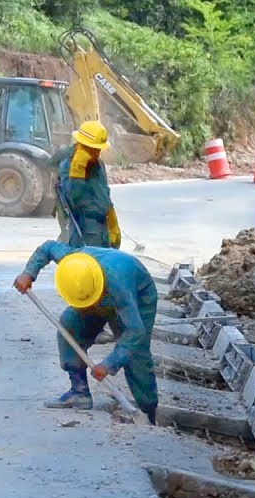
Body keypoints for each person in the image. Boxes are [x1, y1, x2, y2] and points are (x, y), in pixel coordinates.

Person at [13, 241, 157, 425]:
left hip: (138, 296)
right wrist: (28, 273)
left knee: (135, 354)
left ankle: (148, 411)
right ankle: (79, 391)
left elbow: (135, 331)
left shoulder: (119, 286)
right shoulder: (73, 261)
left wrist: (108, 364)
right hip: (95, 291)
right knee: (69, 325)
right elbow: (47, 247)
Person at [52, 121, 121, 249]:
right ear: (82, 146)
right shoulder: (68, 166)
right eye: (93, 149)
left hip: (102, 229)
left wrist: (112, 219)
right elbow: (73, 200)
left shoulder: (99, 165)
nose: (97, 153)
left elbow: (104, 193)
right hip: (84, 231)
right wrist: (78, 171)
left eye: (98, 149)